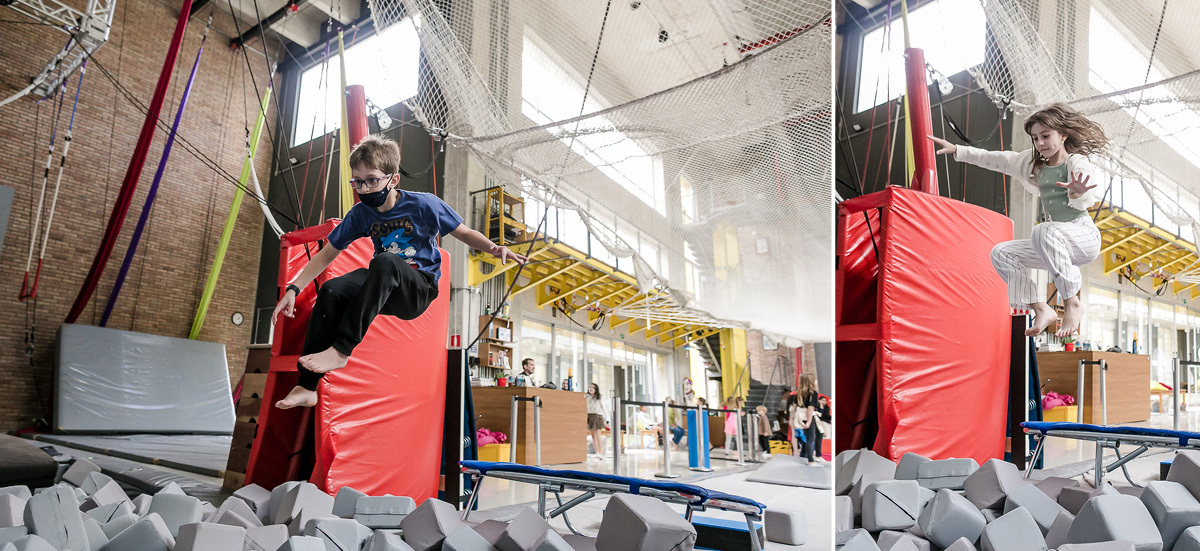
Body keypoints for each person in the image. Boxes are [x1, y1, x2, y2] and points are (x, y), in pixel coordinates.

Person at [272, 135, 526, 409]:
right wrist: (293, 289)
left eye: (371, 180)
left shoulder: (423, 204)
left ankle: (341, 350)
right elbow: (327, 254)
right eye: (357, 181)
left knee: (385, 261)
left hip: (417, 289)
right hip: (385, 286)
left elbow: (463, 232)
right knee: (333, 289)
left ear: (392, 179)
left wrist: (493, 248)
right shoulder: (361, 214)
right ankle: (307, 386)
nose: (364, 188)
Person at [929, 103, 1107, 337]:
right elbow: (998, 160)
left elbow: (1084, 192)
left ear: (1063, 135)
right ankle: (1041, 308)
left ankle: (1072, 301)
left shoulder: (1076, 162)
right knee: (1002, 253)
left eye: (1046, 136)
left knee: (1042, 230)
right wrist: (958, 151)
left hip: (1083, 236)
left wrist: (1076, 191)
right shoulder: (1034, 164)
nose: (1040, 143)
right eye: (1035, 138)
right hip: (1054, 245)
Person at [797, 374, 819, 465]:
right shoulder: (812, 393)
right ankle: (811, 460)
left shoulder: (799, 392)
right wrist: (809, 421)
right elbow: (810, 408)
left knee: (805, 439)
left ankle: (805, 456)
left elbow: (796, 407)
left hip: (800, 417)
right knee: (810, 439)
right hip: (808, 417)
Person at [585, 383, 606, 457]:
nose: (591, 388)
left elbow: (604, 407)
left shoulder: (599, 397)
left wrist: (606, 419)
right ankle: (597, 452)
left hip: (598, 416)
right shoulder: (586, 397)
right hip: (589, 416)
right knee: (593, 435)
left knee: (598, 435)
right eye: (590, 387)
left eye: (593, 387)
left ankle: (601, 452)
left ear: (596, 389)